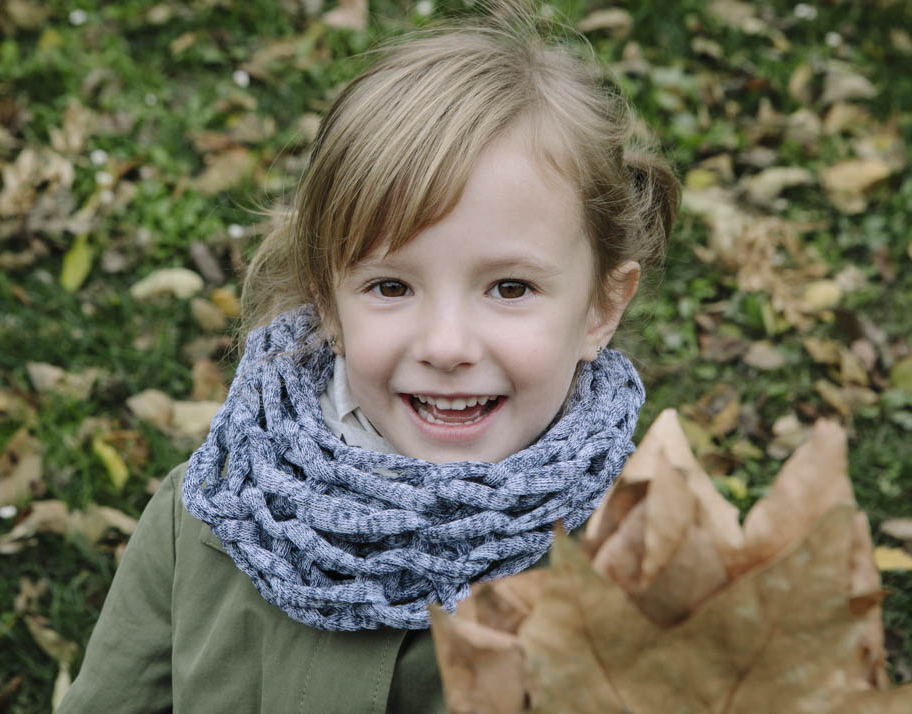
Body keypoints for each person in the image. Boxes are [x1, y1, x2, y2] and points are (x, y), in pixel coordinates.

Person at [57, 6, 680, 712]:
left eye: (509, 288)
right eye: (391, 286)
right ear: (327, 302)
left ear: (600, 307)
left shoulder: (644, 570)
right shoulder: (209, 521)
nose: (446, 346)